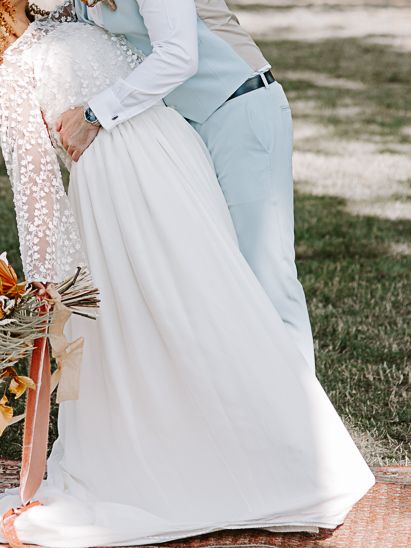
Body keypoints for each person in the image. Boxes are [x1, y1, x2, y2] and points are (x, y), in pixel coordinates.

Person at [0, 0, 374, 548]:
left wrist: (93, 115)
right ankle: (256, 450)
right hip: (151, 161)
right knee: (196, 309)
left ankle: (292, 446)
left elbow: (178, 55)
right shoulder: (29, 52)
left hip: (226, 114)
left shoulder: (52, 31)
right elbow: (36, 196)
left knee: (253, 289)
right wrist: (52, 292)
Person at [56, 0, 315, 373]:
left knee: (267, 272)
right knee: (213, 270)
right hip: (183, 130)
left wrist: (94, 114)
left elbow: (178, 55)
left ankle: (302, 412)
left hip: (238, 109)